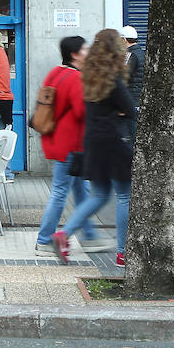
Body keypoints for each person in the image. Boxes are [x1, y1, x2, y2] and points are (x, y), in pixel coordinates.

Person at [54, 28, 134, 266]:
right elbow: (129, 110)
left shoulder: (87, 76)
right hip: (113, 141)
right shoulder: (114, 79)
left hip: (92, 142)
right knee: (125, 195)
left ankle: (64, 233)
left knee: (99, 194)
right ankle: (122, 253)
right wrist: (120, 109)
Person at [36, 36, 114, 256]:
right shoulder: (76, 79)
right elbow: (83, 112)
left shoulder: (56, 72)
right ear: (75, 54)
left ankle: (89, 236)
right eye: (85, 48)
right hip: (70, 145)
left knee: (82, 191)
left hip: (61, 141)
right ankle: (43, 240)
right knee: (60, 192)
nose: (88, 51)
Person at [121, 26, 145, 103]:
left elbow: (123, 75)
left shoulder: (130, 55)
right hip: (139, 97)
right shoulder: (141, 53)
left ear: (124, 40)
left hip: (131, 98)